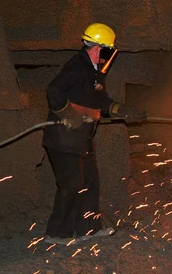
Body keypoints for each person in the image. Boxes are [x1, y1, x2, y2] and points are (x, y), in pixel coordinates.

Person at [42, 22, 146, 245]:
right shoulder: (77, 66)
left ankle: (88, 229)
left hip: (81, 140)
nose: (108, 55)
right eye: (108, 50)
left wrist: (124, 110)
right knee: (71, 185)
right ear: (98, 47)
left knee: (90, 182)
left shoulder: (95, 72)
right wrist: (69, 115)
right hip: (63, 138)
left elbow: (101, 100)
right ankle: (56, 234)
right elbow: (54, 90)